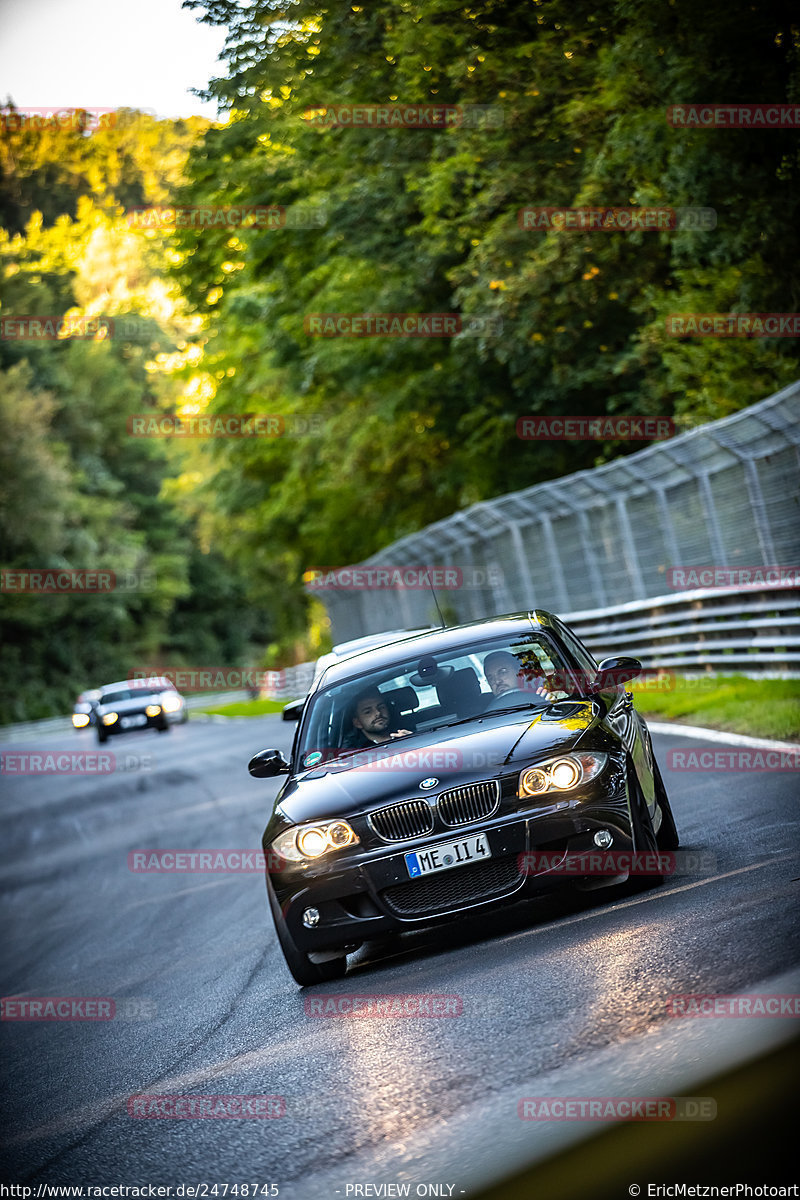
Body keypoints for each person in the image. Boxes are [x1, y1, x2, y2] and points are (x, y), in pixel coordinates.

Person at [482, 650, 559, 708]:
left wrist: (553, 702)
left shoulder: (544, 694)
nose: (497, 681)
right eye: (490, 678)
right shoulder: (482, 714)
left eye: (502, 672)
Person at [342, 686, 413, 748]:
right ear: (357, 723)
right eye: (368, 712)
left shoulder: (409, 731)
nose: (378, 713)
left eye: (381, 707)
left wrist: (412, 741)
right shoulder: (353, 752)